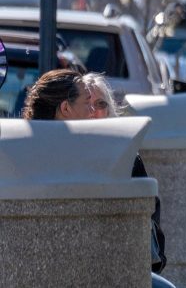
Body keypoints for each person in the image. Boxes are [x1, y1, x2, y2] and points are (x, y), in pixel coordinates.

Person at [24, 70, 174, 288]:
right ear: (66, 108)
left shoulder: (21, 149)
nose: (93, 112)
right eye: (88, 103)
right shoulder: (106, 154)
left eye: (100, 104)